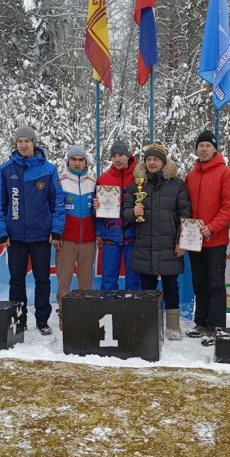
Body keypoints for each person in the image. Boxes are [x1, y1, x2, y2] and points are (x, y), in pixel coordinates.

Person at [0, 125, 65, 336]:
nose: (23, 145)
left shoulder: (48, 169)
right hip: (15, 238)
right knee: (16, 280)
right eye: (20, 141)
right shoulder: (5, 169)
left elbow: (57, 202)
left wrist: (56, 229)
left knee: (42, 279)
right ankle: (18, 319)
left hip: (41, 236)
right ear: (16, 145)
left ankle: (42, 320)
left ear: (34, 143)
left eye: (27, 141)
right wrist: (1, 233)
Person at [122, 141, 192, 340]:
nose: (152, 163)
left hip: (169, 244)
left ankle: (172, 326)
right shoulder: (136, 184)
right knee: (147, 286)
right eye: (149, 159)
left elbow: (184, 214)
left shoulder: (177, 184)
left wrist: (182, 240)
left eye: (156, 159)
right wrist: (132, 213)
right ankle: (149, 324)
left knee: (171, 286)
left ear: (163, 162)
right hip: (145, 242)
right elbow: (125, 211)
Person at [184, 130, 230, 337]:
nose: (204, 149)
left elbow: (229, 206)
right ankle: (201, 323)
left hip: (215, 240)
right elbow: (185, 206)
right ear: (196, 150)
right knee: (199, 283)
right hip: (194, 241)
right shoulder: (191, 176)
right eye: (200, 146)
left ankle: (216, 327)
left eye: (208, 145)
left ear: (215, 149)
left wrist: (213, 227)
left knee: (215, 284)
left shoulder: (226, 173)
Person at [56, 144, 97, 330]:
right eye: (74, 159)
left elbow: (100, 212)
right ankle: (64, 314)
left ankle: (84, 313)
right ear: (68, 162)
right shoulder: (60, 182)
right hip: (66, 240)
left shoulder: (94, 183)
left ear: (86, 162)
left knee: (85, 281)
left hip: (88, 240)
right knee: (64, 280)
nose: (78, 163)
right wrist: (55, 234)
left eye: (81, 160)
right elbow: (55, 210)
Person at [95, 140, 141, 291]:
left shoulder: (139, 175)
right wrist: (98, 231)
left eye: (121, 155)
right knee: (108, 277)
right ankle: (108, 311)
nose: (117, 159)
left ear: (128, 155)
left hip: (134, 235)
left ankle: (133, 312)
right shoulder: (103, 179)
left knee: (133, 279)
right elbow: (95, 211)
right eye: (114, 156)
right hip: (110, 236)